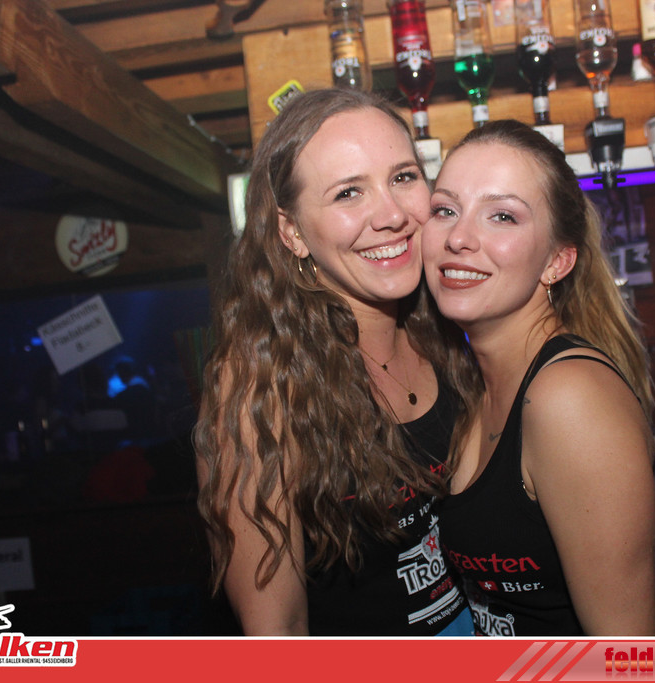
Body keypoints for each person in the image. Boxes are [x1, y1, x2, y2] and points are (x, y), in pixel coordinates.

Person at [194, 88, 474, 635]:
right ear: (292, 232)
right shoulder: (259, 388)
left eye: (403, 177)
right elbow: (277, 633)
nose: (392, 215)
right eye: (349, 192)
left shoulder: (447, 326)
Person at [421, 120, 655, 636]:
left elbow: (626, 655)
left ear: (557, 261)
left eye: (502, 216)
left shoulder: (569, 397)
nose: (458, 238)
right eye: (445, 210)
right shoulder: (477, 385)